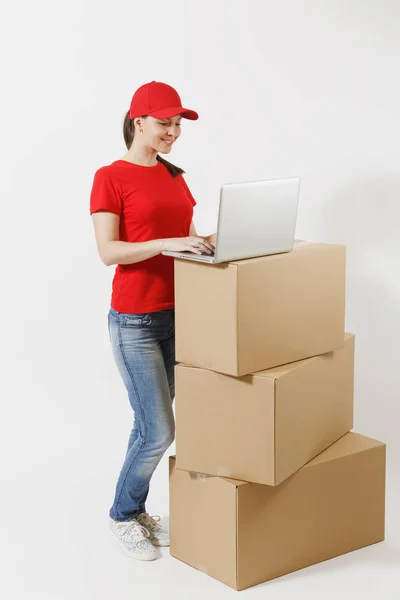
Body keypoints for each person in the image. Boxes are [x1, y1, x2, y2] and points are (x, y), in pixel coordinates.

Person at [89, 81, 216, 561]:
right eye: (165, 122)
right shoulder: (111, 175)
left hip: (179, 316)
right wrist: (166, 244)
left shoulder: (175, 174)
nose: (174, 131)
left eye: (178, 123)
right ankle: (123, 515)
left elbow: (184, 238)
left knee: (148, 424)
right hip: (135, 322)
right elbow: (108, 251)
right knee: (159, 430)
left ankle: (136, 510)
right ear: (138, 121)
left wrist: (208, 240)